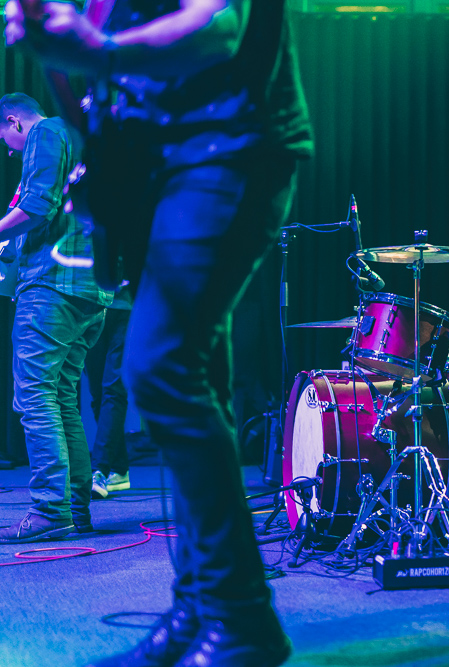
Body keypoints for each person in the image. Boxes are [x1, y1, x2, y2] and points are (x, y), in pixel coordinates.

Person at [6, 0, 314, 665]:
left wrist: (95, 50)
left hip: (228, 147)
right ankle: (203, 603)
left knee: (159, 364)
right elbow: (101, 84)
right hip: (168, 164)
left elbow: (219, 27)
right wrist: (60, 56)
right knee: (198, 377)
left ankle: (242, 618)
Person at [0, 92, 113, 543]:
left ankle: (50, 510)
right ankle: (74, 510)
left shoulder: (45, 132)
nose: (9, 150)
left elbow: (36, 208)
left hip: (51, 289)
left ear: (13, 120)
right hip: (91, 290)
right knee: (63, 398)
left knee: (36, 397)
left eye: (6, 139)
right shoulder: (82, 137)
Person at [87, 279, 132, 499]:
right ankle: (120, 468)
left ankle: (99, 470)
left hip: (127, 306)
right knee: (97, 395)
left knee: (114, 390)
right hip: (91, 304)